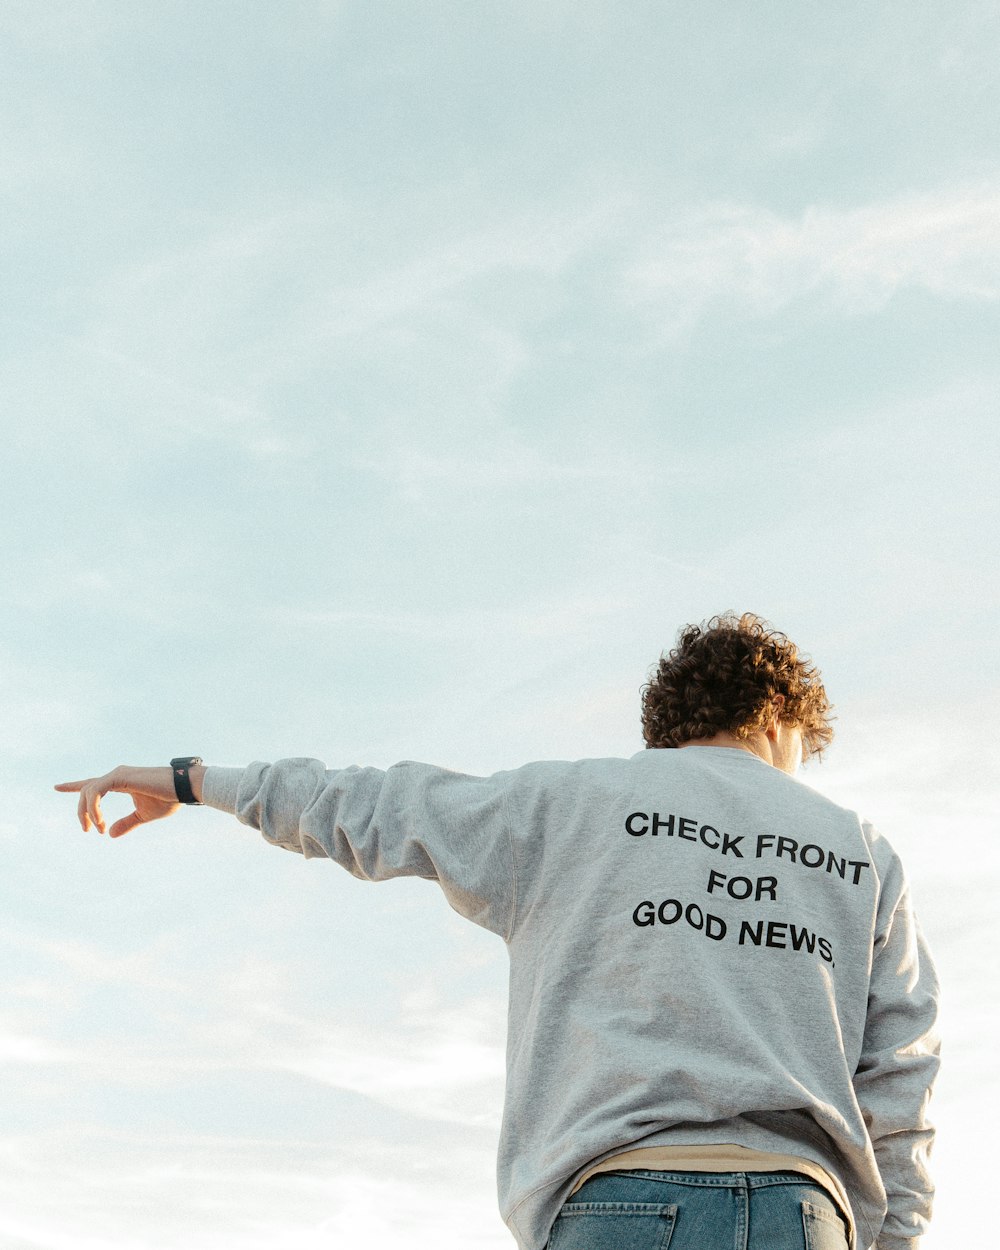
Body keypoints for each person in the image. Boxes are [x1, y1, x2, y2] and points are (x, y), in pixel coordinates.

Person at [56, 612, 939, 1250]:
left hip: (615, 1204)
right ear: (781, 720)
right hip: (805, 1215)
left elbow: (370, 805)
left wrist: (191, 779)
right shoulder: (860, 851)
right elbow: (901, 1076)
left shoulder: (570, 803)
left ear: (668, 724)